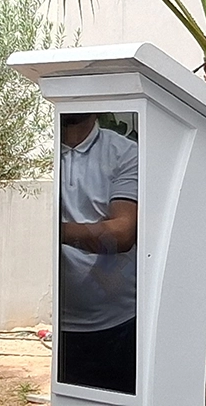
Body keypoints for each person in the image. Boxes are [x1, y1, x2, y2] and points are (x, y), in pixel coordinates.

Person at [57, 112, 139, 395]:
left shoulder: (124, 153)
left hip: (117, 325)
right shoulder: (42, 152)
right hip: (56, 325)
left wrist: (56, 229)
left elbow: (122, 234)